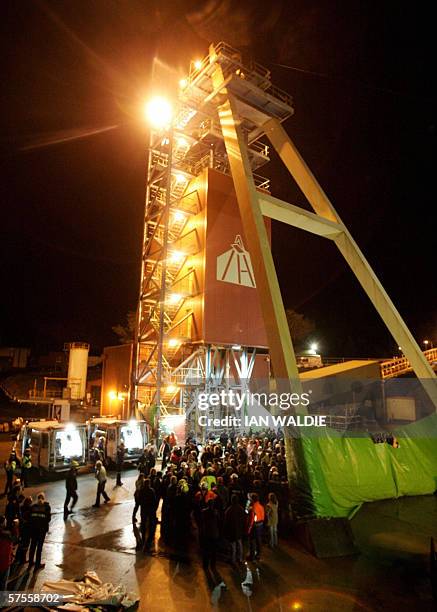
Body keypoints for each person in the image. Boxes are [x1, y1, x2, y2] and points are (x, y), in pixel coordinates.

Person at [28, 492, 51, 570]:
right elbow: (48, 519)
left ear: (37, 499)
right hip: (42, 531)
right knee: (39, 547)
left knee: (32, 546)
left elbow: (30, 519)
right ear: (44, 499)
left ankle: (30, 563)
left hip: (33, 530)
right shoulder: (46, 507)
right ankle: (37, 564)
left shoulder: (33, 507)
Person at [224, 494, 246, 564]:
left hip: (232, 531)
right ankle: (240, 559)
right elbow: (244, 520)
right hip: (239, 530)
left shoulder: (228, 510)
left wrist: (226, 531)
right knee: (239, 545)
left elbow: (226, 522)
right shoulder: (241, 509)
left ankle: (233, 560)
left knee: (232, 546)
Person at [200, 499, 220, 573]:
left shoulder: (204, 511)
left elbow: (201, 521)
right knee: (214, 551)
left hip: (207, 533)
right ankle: (213, 565)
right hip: (214, 534)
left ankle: (205, 565)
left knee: (206, 550)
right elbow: (219, 522)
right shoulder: (216, 512)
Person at [0, 514, 18, 589]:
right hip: (4, 563)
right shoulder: (7, 536)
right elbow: (15, 540)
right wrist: (15, 527)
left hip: (5, 562)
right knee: (3, 583)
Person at [138, 478, 156, 550]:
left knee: (143, 522)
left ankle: (143, 536)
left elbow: (139, 499)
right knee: (151, 523)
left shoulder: (141, 491)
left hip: (143, 509)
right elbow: (154, 500)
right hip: (150, 509)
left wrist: (142, 504)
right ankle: (150, 538)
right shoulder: (151, 491)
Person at [247, 492, 264, 561]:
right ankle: (258, 554)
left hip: (255, 525)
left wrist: (249, 528)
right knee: (259, 540)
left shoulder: (253, 508)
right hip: (261, 524)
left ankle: (252, 556)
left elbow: (252, 519)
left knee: (252, 541)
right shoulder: (261, 506)